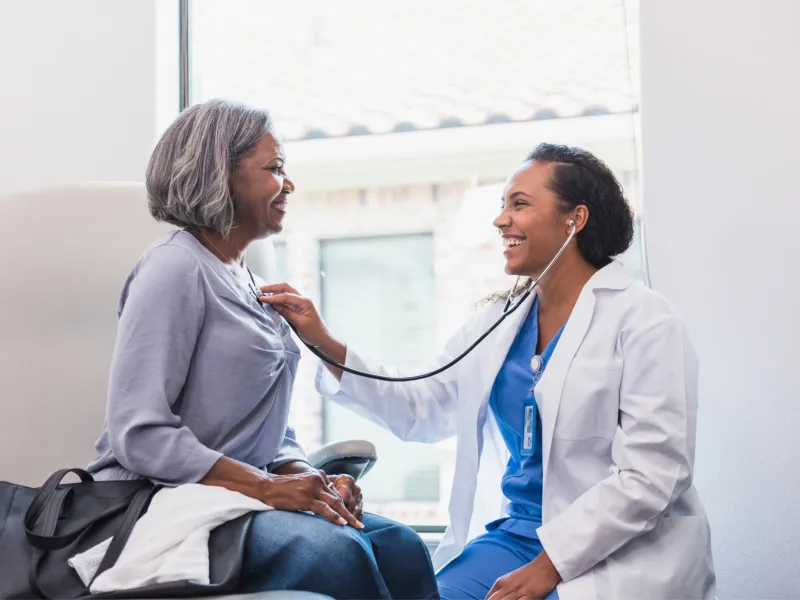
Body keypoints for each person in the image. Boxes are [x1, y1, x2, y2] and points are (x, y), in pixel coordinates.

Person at [259, 144, 716, 600]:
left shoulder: (645, 321)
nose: (501, 220)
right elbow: (422, 406)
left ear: (574, 219)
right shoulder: (500, 322)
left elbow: (654, 475)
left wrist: (550, 566)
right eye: (503, 205)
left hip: (618, 552)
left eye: (519, 204)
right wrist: (323, 341)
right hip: (517, 539)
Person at [86, 99, 438, 600]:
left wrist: (308, 479)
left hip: (235, 497)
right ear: (220, 176)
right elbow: (138, 434)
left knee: (402, 546)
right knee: (335, 554)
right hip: (159, 499)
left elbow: (270, 433)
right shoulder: (173, 268)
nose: (288, 184)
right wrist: (267, 488)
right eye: (274, 169)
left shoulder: (252, 283)